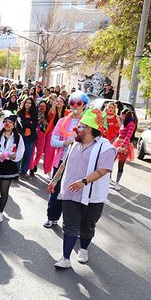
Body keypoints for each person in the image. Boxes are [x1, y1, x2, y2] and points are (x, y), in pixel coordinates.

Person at [48, 109, 116, 268]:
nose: (76, 128)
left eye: (81, 126)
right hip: (70, 193)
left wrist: (83, 182)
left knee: (87, 226)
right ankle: (65, 258)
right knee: (69, 225)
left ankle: (84, 248)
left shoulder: (106, 148)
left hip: (92, 196)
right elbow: (64, 164)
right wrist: (54, 181)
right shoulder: (73, 144)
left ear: (90, 129)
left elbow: (103, 169)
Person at [43, 92, 86, 228]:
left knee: (74, 193)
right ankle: (52, 218)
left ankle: (71, 224)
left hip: (79, 163)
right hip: (61, 161)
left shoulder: (87, 123)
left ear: (84, 105)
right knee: (55, 190)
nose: (75, 106)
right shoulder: (62, 121)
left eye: (78, 103)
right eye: (72, 103)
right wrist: (64, 143)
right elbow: (52, 140)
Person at [0, 115, 25, 223]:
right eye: (5, 122)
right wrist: (0, 154)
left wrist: (14, 156)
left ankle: (0, 212)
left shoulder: (18, 137)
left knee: (4, 190)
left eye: (10, 122)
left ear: (13, 125)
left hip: (9, 166)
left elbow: (21, 151)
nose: (7, 124)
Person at [112, 108, 136, 190]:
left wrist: (122, 146)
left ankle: (117, 183)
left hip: (124, 146)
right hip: (117, 143)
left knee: (121, 165)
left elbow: (128, 136)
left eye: (121, 115)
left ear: (124, 115)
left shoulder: (131, 124)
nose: (120, 116)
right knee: (110, 161)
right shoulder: (124, 123)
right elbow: (120, 134)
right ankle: (108, 179)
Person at [28, 100, 50, 176]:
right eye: (41, 106)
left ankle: (35, 164)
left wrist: (46, 122)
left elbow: (50, 124)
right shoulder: (35, 113)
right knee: (32, 151)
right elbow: (32, 122)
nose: (42, 108)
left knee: (40, 152)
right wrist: (39, 120)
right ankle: (31, 167)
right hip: (34, 132)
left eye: (44, 106)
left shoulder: (48, 114)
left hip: (42, 133)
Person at [18, 97, 38, 177]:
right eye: (26, 102)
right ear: (24, 103)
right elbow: (19, 124)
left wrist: (25, 123)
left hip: (31, 137)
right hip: (21, 136)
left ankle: (24, 171)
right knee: (19, 153)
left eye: (30, 103)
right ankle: (16, 170)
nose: (28, 104)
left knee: (28, 154)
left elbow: (35, 125)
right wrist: (29, 123)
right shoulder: (20, 112)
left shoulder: (34, 113)